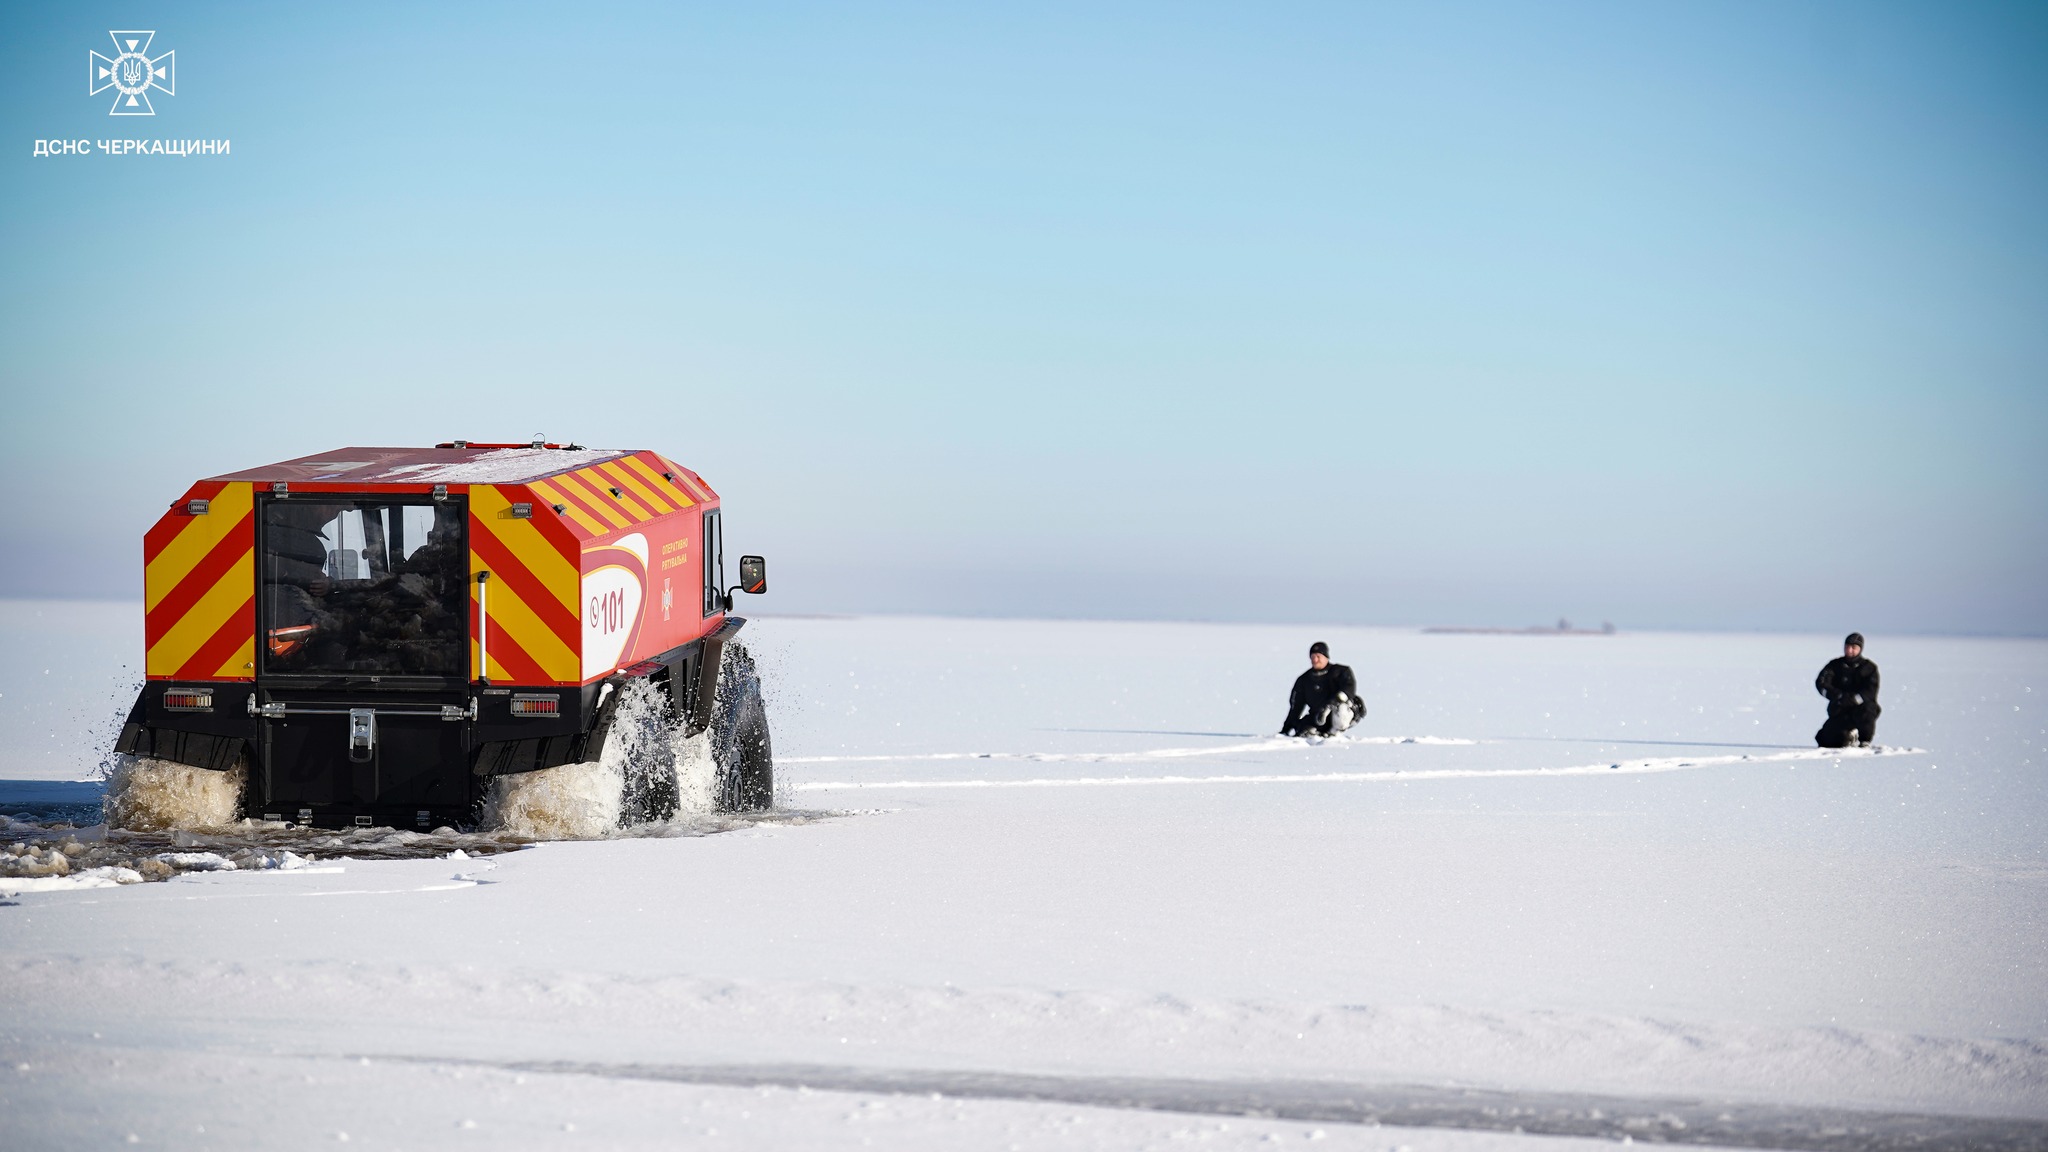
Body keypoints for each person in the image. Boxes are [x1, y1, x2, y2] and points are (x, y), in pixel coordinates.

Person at [1280, 641, 1364, 737]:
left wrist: (1329, 706)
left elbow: (1349, 689)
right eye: (1312, 657)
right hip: (1318, 716)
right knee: (1303, 730)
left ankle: (1334, 734)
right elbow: (1296, 708)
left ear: (1326, 657)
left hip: (1339, 711)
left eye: (1318, 656)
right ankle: (1318, 736)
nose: (1315, 660)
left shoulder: (1341, 672)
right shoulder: (1304, 680)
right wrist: (1286, 729)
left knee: (1342, 710)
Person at [1815, 632, 1880, 748]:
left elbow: (1870, 690)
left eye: (1854, 647)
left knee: (1868, 709)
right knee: (1825, 740)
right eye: (1847, 647)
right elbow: (1821, 683)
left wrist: (1854, 699)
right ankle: (1848, 736)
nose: (1850, 650)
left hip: (1860, 709)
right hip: (1840, 709)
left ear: (1860, 649)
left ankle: (1864, 740)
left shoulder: (1869, 668)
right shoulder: (1835, 665)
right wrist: (1836, 695)